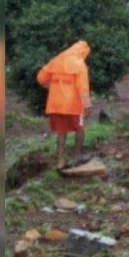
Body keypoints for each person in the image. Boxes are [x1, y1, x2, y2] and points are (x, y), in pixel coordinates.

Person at [36, 40, 92, 170]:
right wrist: (87, 106)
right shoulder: (80, 64)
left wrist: (52, 87)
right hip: (73, 106)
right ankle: (76, 159)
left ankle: (60, 162)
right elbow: (83, 88)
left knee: (61, 132)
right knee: (80, 129)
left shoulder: (56, 60)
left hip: (55, 104)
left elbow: (40, 78)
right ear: (83, 52)